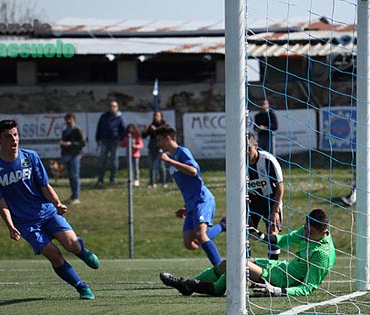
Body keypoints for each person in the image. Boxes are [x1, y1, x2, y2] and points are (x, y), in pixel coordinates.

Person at [0, 120, 99, 300]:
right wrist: (10, 225)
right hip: (26, 222)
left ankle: (82, 252)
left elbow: (45, 186)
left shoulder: (30, 157)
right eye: (8, 136)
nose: (14, 139)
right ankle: (82, 287)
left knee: (72, 245)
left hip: (47, 212)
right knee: (54, 255)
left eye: (15, 135)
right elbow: (0, 201)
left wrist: (57, 203)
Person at [159, 208, 335, 298]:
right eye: (305, 229)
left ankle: (196, 286)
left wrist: (276, 291)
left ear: (324, 232)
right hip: (280, 267)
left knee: (238, 265)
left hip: (282, 279)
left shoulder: (322, 254)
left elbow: (308, 288)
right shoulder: (307, 231)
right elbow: (285, 239)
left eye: (310, 233)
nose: (305, 234)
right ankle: (186, 285)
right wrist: (260, 235)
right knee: (229, 263)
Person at [154, 126, 224, 267]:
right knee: (190, 243)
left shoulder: (182, 152)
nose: (158, 144)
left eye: (159, 140)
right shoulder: (173, 158)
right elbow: (187, 185)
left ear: (168, 138)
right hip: (191, 203)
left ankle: (222, 270)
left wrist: (169, 161)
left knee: (200, 234)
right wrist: (186, 206)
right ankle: (223, 225)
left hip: (202, 199)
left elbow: (193, 171)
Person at [246, 132, 284, 260]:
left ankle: (272, 269)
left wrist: (275, 211)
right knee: (244, 233)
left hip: (271, 200)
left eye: (248, 149)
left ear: (256, 145)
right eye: (243, 150)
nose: (246, 153)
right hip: (253, 202)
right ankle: (247, 268)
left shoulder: (268, 160)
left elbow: (280, 187)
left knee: (273, 233)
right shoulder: (240, 165)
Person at [95, 99, 127, 187]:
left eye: (114, 106)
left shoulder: (119, 117)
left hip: (114, 142)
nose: (112, 108)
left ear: (117, 107)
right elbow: (99, 128)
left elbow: (124, 130)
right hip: (104, 141)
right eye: (110, 106)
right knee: (102, 160)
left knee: (114, 161)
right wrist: (98, 138)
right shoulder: (104, 116)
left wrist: (120, 139)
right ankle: (100, 179)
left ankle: (112, 179)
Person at [59, 113, 86, 204]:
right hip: (66, 155)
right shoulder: (65, 131)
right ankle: (73, 195)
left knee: (75, 176)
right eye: (67, 119)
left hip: (75, 155)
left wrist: (71, 144)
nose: (68, 121)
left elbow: (82, 143)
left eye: (70, 119)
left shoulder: (77, 130)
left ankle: (76, 196)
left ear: (73, 120)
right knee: (70, 176)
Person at [142, 111, 169, 188]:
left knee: (161, 166)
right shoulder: (151, 125)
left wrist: (156, 130)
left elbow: (165, 134)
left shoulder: (164, 125)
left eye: (157, 116)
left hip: (161, 148)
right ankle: (152, 182)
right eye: (155, 116)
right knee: (152, 166)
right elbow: (144, 135)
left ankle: (163, 182)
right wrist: (145, 130)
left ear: (161, 117)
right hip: (152, 148)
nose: (156, 117)